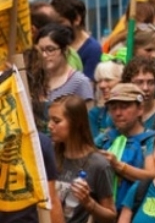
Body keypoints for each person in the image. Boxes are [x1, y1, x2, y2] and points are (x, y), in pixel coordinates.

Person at [48, 95, 116, 223]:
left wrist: (89, 203)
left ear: (76, 123)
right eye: (49, 120)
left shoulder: (98, 165)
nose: (50, 126)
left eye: (56, 121)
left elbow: (111, 215)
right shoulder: (49, 154)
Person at [94, 83, 155, 211]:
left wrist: (118, 165)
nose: (118, 113)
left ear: (140, 109)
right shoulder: (105, 137)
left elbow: (152, 177)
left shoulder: (151, 140)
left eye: (124, 107)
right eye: (113, 108)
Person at [35, 25, 94, 127]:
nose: (44, 55)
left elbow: (88, 123)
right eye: (41, 50)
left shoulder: (80, 82)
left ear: (65, 51)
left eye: (50, 49)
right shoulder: (35, 80)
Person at [50, 0, 102, 81]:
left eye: (60, 22)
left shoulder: (92, 49)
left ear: (77, 19)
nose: (56, 27)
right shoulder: (54, 43)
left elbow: (88, 87)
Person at [90, 58, 125, 138]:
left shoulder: (133, 112)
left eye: (108, 80)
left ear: (122, 81)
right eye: (99, 81)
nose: (102, 86)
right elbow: (93, 146)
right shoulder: (95, 114)